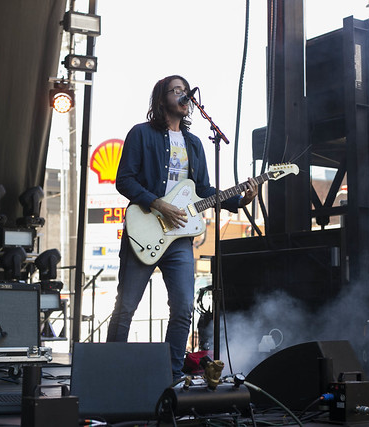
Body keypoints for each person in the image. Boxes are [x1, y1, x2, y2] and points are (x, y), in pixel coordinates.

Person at [105, 75, 258, 379]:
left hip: (179, 239)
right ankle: (109, 373)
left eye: (186, 91)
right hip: (144, 229)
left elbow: (203, 190)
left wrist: (240, 200)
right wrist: (158, 204)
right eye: (176, 91)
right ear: (162, 99)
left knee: (184, 308)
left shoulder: (195, 143)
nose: (184, 95)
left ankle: (171, 375)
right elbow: (124, 180)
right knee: (126, 307)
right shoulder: (141, 134)